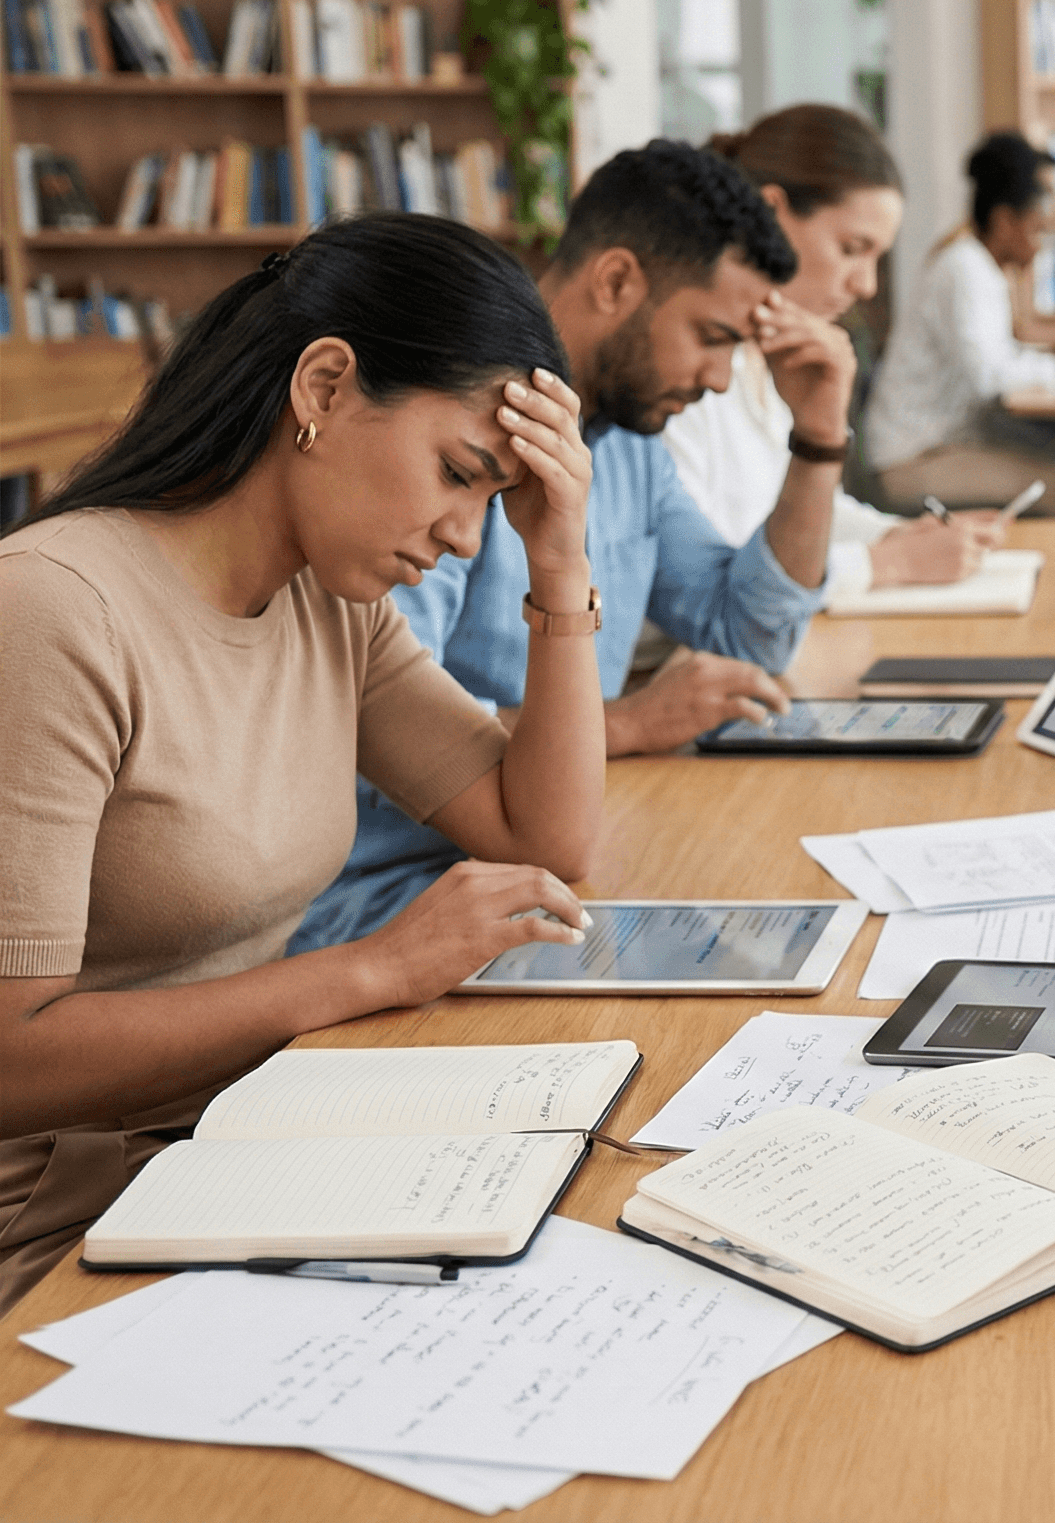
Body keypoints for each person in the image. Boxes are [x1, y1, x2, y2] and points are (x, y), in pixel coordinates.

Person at [0, 214, 604, 1312]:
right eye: (460, 473)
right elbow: (10, 1059)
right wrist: (373, 969)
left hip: (235, 1152)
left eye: (493, 500)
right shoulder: (51, 610)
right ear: (323, 388)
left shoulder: (333, 605)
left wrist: (558, 559)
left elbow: (544, 837)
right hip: (62, 1217)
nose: (468, 535)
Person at [291, 140, 826, 952]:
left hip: (537, 860)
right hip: (399, 895)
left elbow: (750, 630)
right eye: (711, 335)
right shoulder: (431, 453)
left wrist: (818, 440)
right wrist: (624, 725)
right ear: (616, 281)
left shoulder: (633, 446)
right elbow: (372, 746)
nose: (721, 378)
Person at [666, 105, 1004, 603]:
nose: (865, 286)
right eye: (851, 249)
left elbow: (797, 512)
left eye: (876, 258)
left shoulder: (770, 353)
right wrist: (885, 564)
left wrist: (900, 537)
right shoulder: (688, 371)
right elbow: (711, 581)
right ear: (771, 214)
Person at [866, 132, 1055, 495]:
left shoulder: (979, 266)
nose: (1043, 245)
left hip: (942, 445)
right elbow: (990, 378)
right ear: (1004, 220)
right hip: (911, 458)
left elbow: (999, 358)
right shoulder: (964, 269)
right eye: (1038, 229)